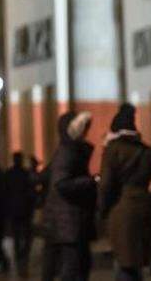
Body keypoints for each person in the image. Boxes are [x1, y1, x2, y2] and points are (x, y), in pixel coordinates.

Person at [98, 103, 151, 281]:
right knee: (137, 261)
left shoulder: (112, 150)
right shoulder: (149, 152)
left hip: (120, 208)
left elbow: (105, 185)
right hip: (144, 206)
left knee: (124, 261)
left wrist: (102, 209)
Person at [41, 111, 96, 281]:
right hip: (69, 223)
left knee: (73, 268)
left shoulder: (70, 150)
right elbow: (61, 183)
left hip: (67, 222)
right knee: (73, 270)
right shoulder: (68, 151)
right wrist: (91, 181)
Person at [5, 151, 38, 276]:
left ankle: (20, 259)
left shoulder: (9, 174)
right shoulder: (25, 174)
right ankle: (22, 260)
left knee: (18, 238)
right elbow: (31, 192)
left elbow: (5, 194)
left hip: (15, 211)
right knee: (25, 237)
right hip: (24, 211)